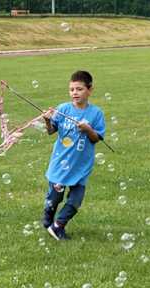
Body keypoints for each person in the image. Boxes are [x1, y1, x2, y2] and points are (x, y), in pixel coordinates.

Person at [40, 70, 106, 240]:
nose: (74, 93)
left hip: (81, 166)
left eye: (79, 89)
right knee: (54, 199)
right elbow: (51, 131)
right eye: (71, 89)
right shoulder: (63, 109)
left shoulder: (96, 113)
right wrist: (48, 120)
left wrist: (88, 129)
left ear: (90, 90)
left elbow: (96, 138)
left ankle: (58, 226)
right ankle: (48, 221)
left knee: (75, 201)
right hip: (61, 163)